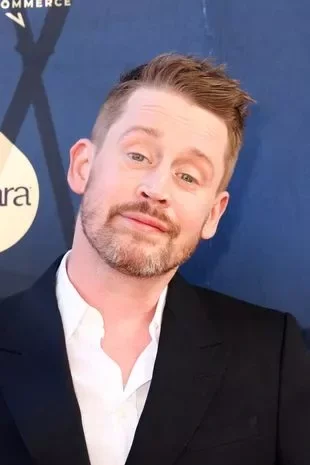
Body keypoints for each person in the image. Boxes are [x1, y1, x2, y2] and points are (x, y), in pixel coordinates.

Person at [0, 53, 309, 465]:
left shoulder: (271, 354)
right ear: (82, 166)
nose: (157, 187)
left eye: (188, 176)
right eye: (139, 155)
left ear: (213, 214)